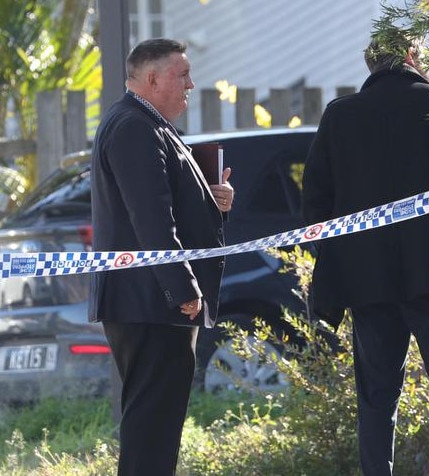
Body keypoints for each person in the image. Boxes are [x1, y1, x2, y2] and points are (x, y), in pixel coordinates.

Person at [302, 32, 429, 476]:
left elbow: (314, 207)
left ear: (371, 65)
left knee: (377, 398)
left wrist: (347, 256)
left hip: (367, 282)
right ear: (413, 57)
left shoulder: (340, 116)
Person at [89, 38, 234, 476]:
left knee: (157, 425)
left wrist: (211, 199)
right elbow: (150, 218)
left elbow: (163, 201)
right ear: (152, 79)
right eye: (182, 74)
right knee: (152, 426)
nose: (191, 83)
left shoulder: (148, 123)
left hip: (152, 300)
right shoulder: (134, 126)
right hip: (151, 301)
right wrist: (182, 288)